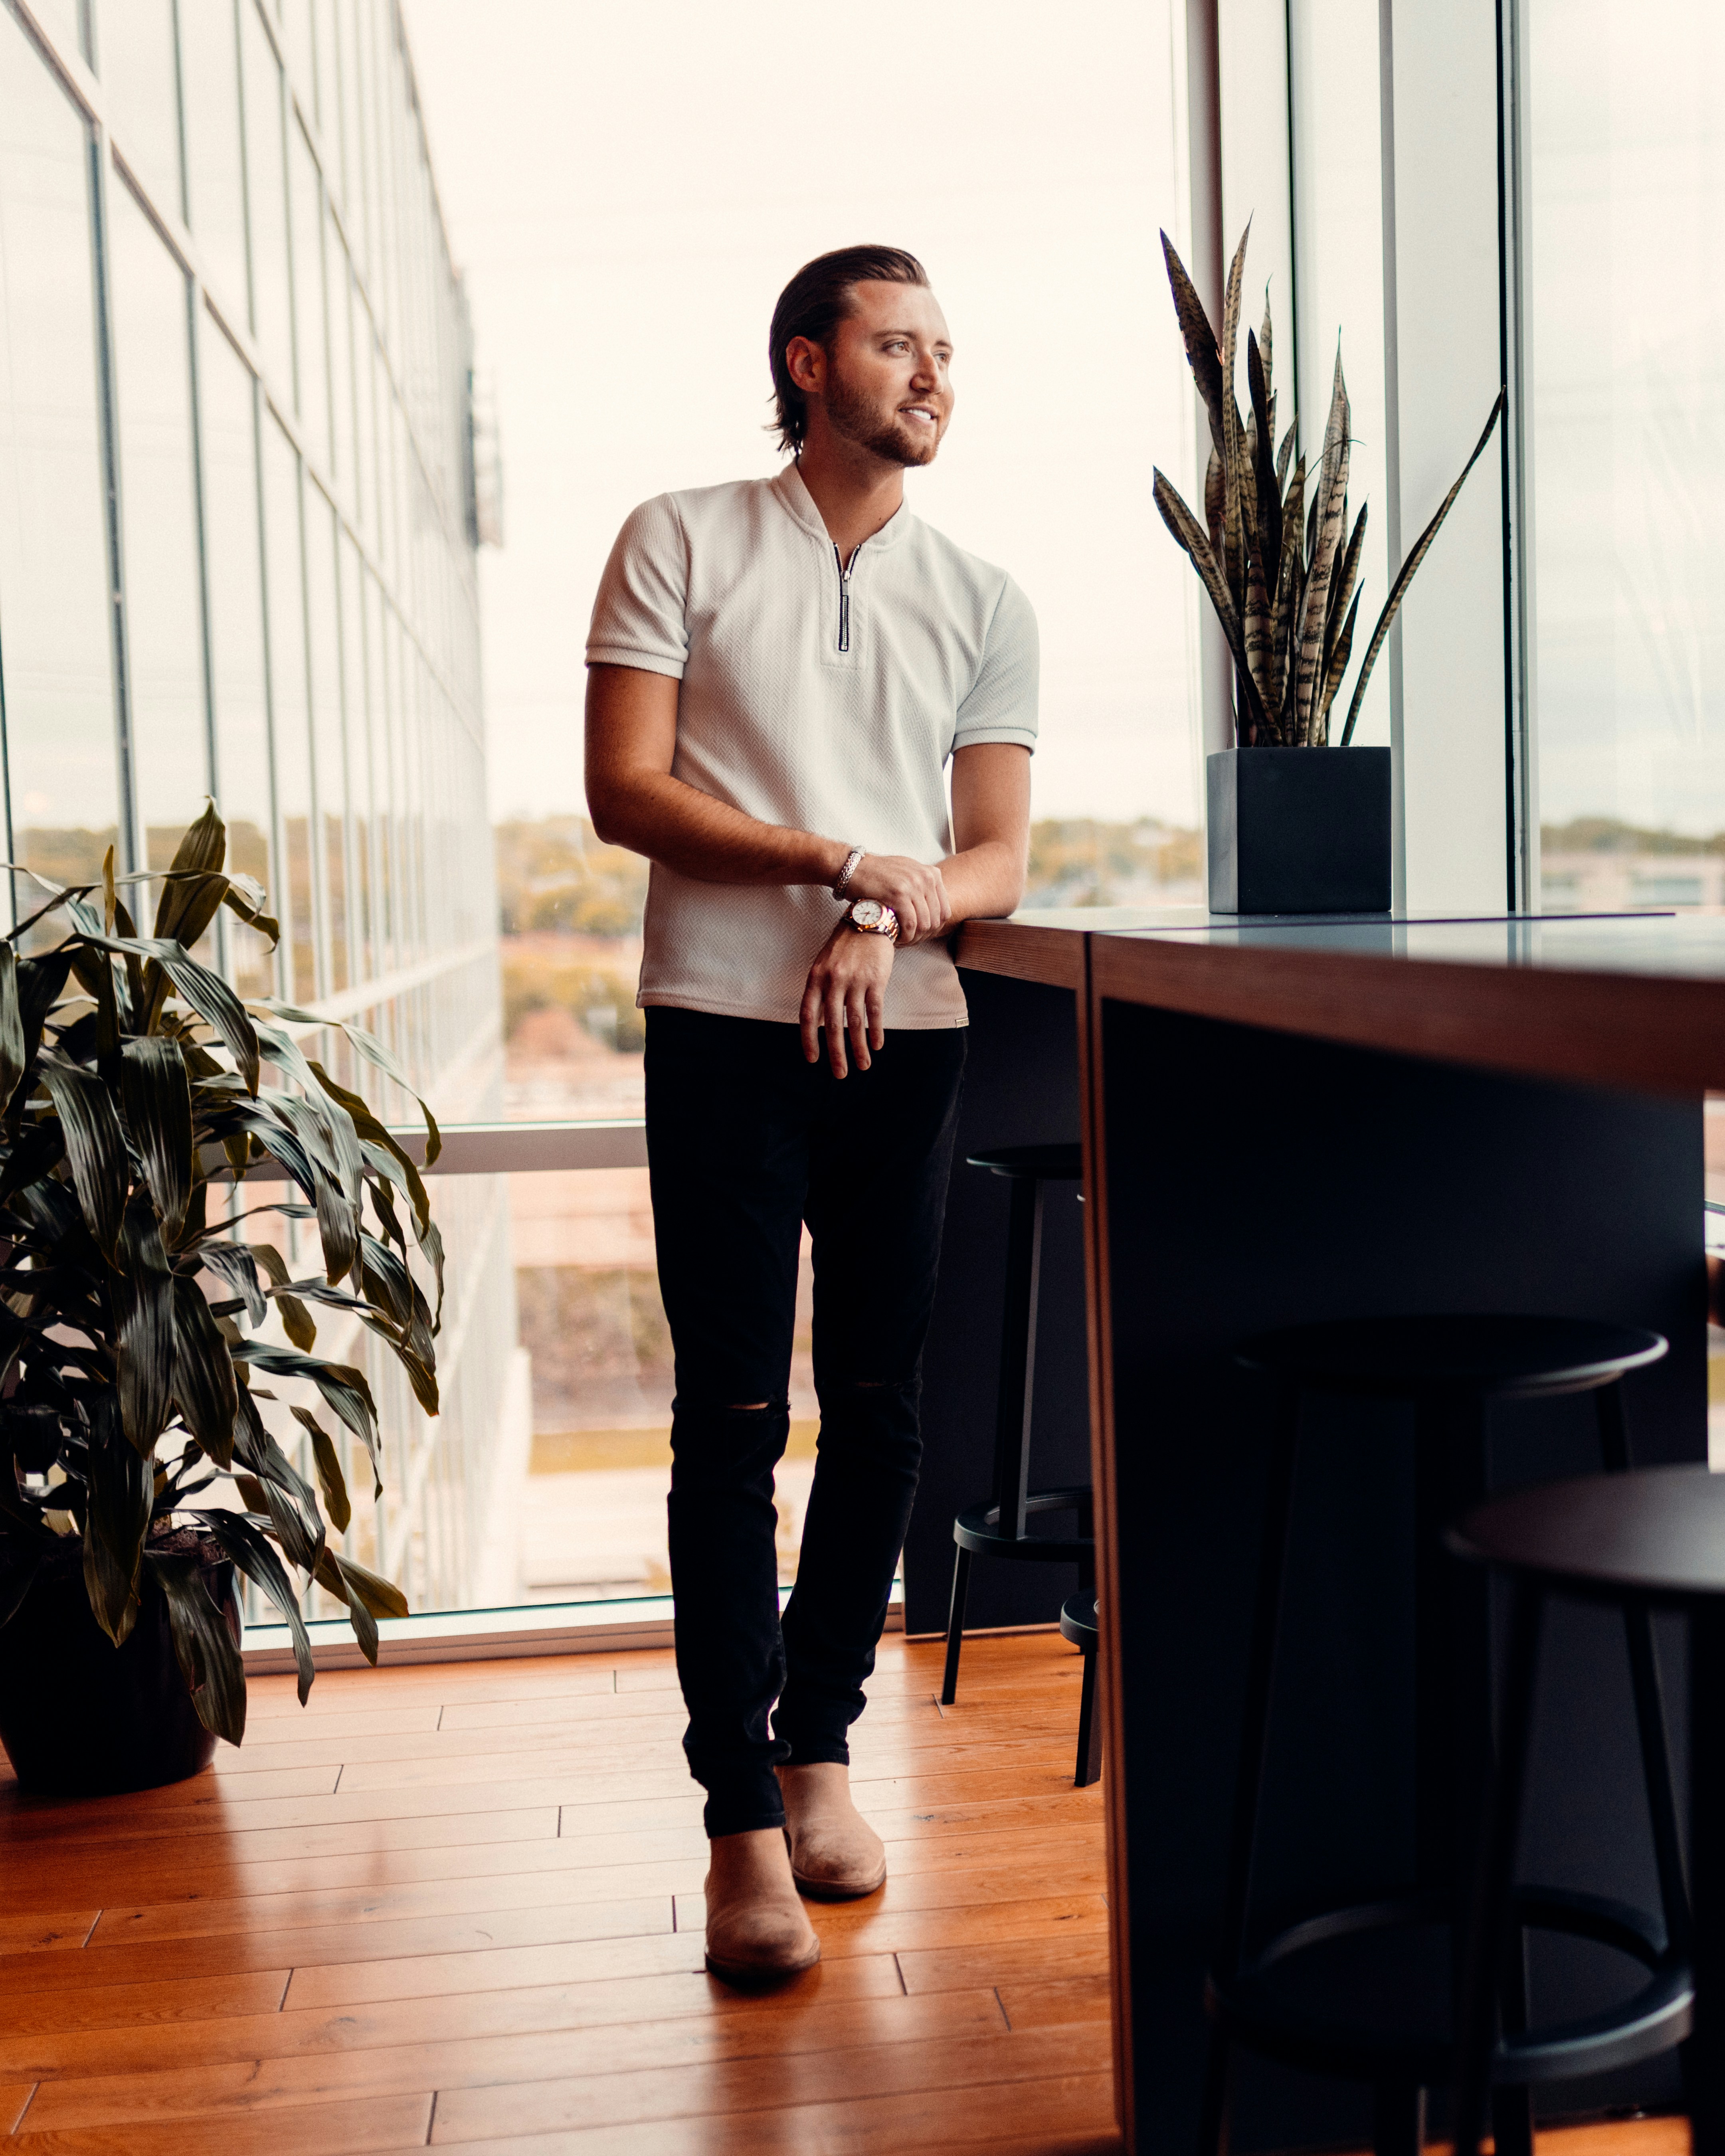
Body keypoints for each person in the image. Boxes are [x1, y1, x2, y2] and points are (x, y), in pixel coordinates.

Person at [584, 243, 1038, 1983]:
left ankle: (820, 1743)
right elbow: (628, 793)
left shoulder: (984, 594)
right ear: (806, 360)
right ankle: (734, 1825)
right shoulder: (679, 536)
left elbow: (996, 851)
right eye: (898, 344)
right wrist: (839, 857)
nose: (933, 375)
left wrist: (886, 907)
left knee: (881, 1410)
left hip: (905, 1029)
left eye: (946, 349)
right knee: (727, 1415)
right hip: (716, 1030)